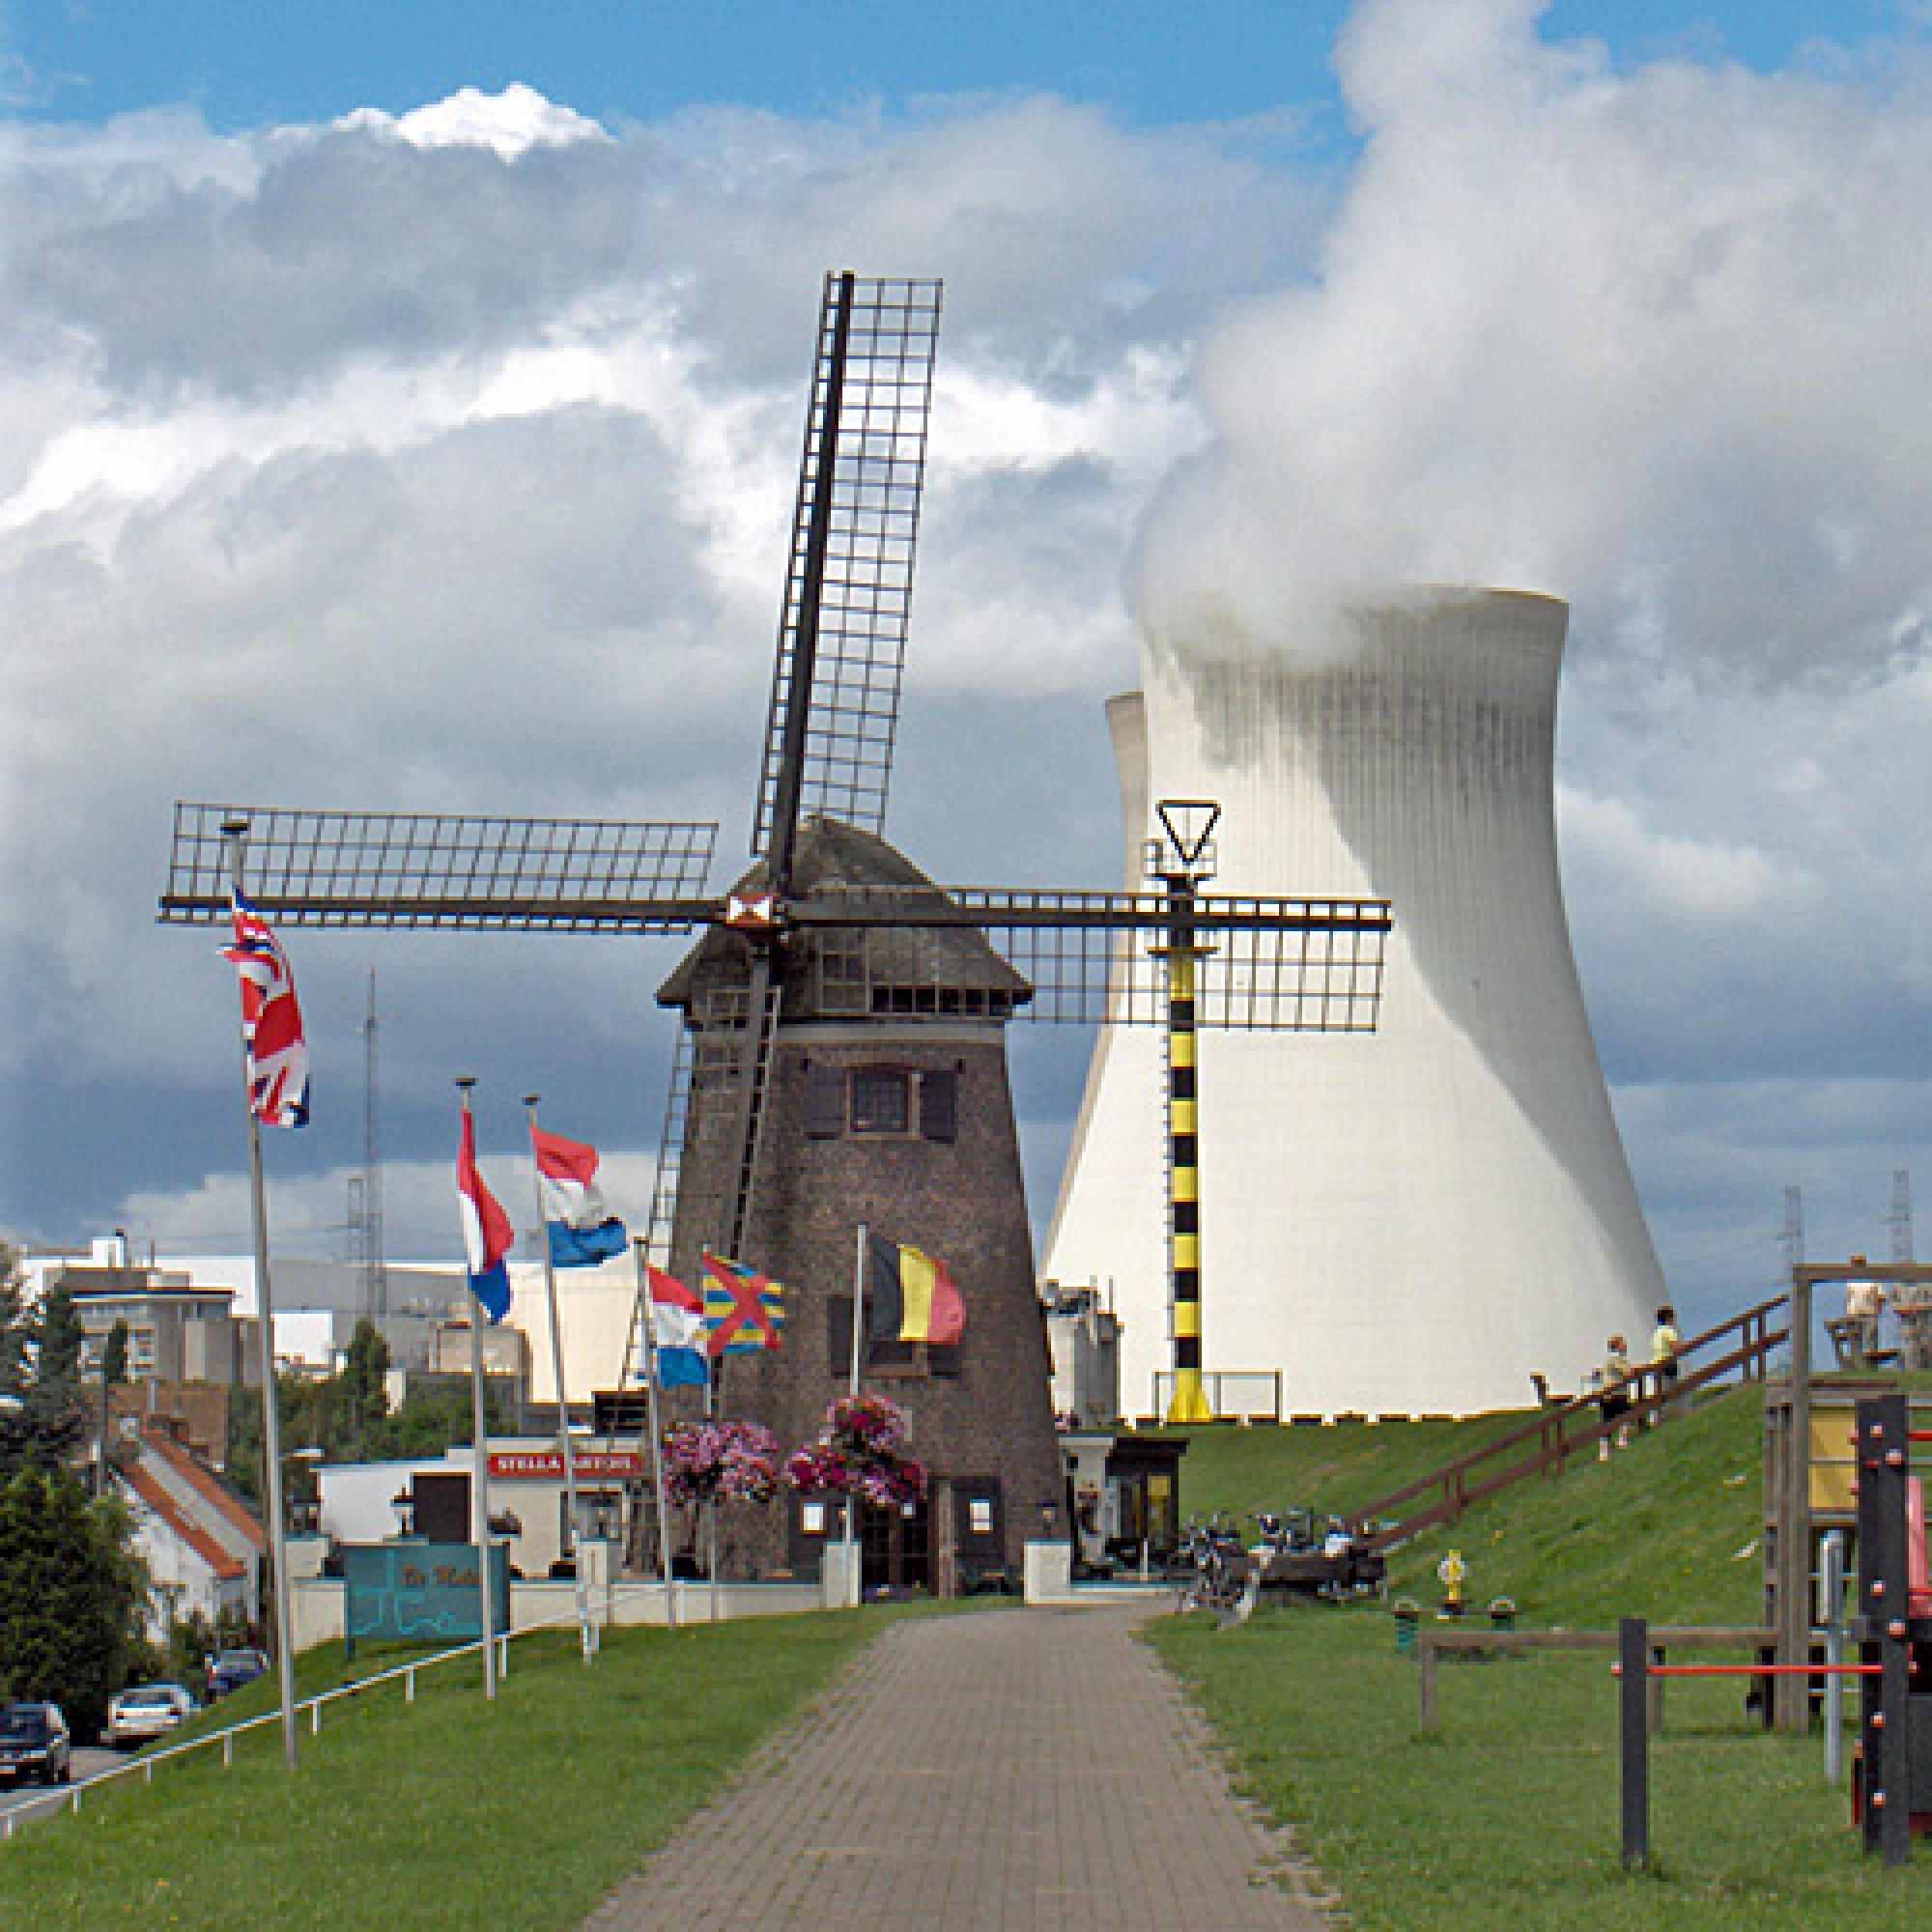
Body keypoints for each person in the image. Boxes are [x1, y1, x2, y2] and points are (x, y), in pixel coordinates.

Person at [1844, 1258, 1886, 1366]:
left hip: (1870, 1313)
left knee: (1870, 1341)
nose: (1857, 1266)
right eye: (1855, 1263)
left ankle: (1871, 1367)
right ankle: (1857, 1367)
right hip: (1853, 1315)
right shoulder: (1850, 1281)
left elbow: (1881, 1297)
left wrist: (1877, 1312)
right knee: (1855, 1341)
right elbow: (1848, 1298)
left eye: (1859, 1263)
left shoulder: (1872, 1279)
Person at [1598, 1335, 1634, 1459]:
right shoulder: (1617, 1359)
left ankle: (1604, 1452)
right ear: (1617, 1346)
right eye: (1623, 1344)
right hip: (1616, 1394)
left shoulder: (1608, 1359)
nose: (1625, 1346)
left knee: (1607, 1422)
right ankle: (1622, 1441)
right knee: (1628, 1415)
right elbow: (1628, 1373)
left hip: (1606, 1395)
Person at [1649, 1305, 1683, 1424]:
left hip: (1655, 1365)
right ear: (1668, 1318)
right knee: (1675, 1389)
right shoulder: (1669, 1331)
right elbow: (1676, 1347)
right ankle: (1680, 1413)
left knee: (1659, 1392)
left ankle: (1656, 1418)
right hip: (1667, 1363)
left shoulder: (1656, 1333)